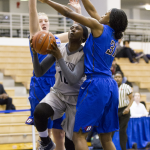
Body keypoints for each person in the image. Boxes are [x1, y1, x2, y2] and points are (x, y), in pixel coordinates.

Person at [38, 0, 128, 150]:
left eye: (106, 13)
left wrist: (47, 1)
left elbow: (67, 12)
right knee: (106, 139)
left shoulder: (99, 27)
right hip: (111, 86)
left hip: (96, 84)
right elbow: (92, 10)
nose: (102, 14)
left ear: (110, 20)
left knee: (78, 135)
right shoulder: (113, 35)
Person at [26, 0, 82, 149]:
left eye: (46, 20)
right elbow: (33, 15)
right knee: (46, 131)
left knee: (61, 133)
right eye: (40, 21)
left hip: (57, 84)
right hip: (40, 83)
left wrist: (77, 11)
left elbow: (75, 32)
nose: (43, 23)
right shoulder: (36, 37)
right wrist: (32, 3)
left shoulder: (54, 39)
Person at [114, 71, 133, 150]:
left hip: (124, 110)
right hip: (114, 110)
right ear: (114, 78)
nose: (117, 79)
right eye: (116, 77)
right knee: (110, 131)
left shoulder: (126, 87)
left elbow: (131, 98)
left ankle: (124, 148)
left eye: (119, 77)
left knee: (122, 130)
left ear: (122, 78)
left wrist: (128, 108)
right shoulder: (112, 86)